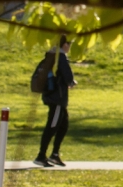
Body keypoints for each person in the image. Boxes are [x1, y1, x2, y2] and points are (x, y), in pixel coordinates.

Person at [34, 35, 75, 168]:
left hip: (53, 97)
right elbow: (67, 75)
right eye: (69, 44)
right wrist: (71, 82)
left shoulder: (51, 56)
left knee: (63, 125)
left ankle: (55, 154)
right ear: (64, 45)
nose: (70, 47)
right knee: (52, 126)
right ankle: (41, 156)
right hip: (57, 98)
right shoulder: (60, 57)